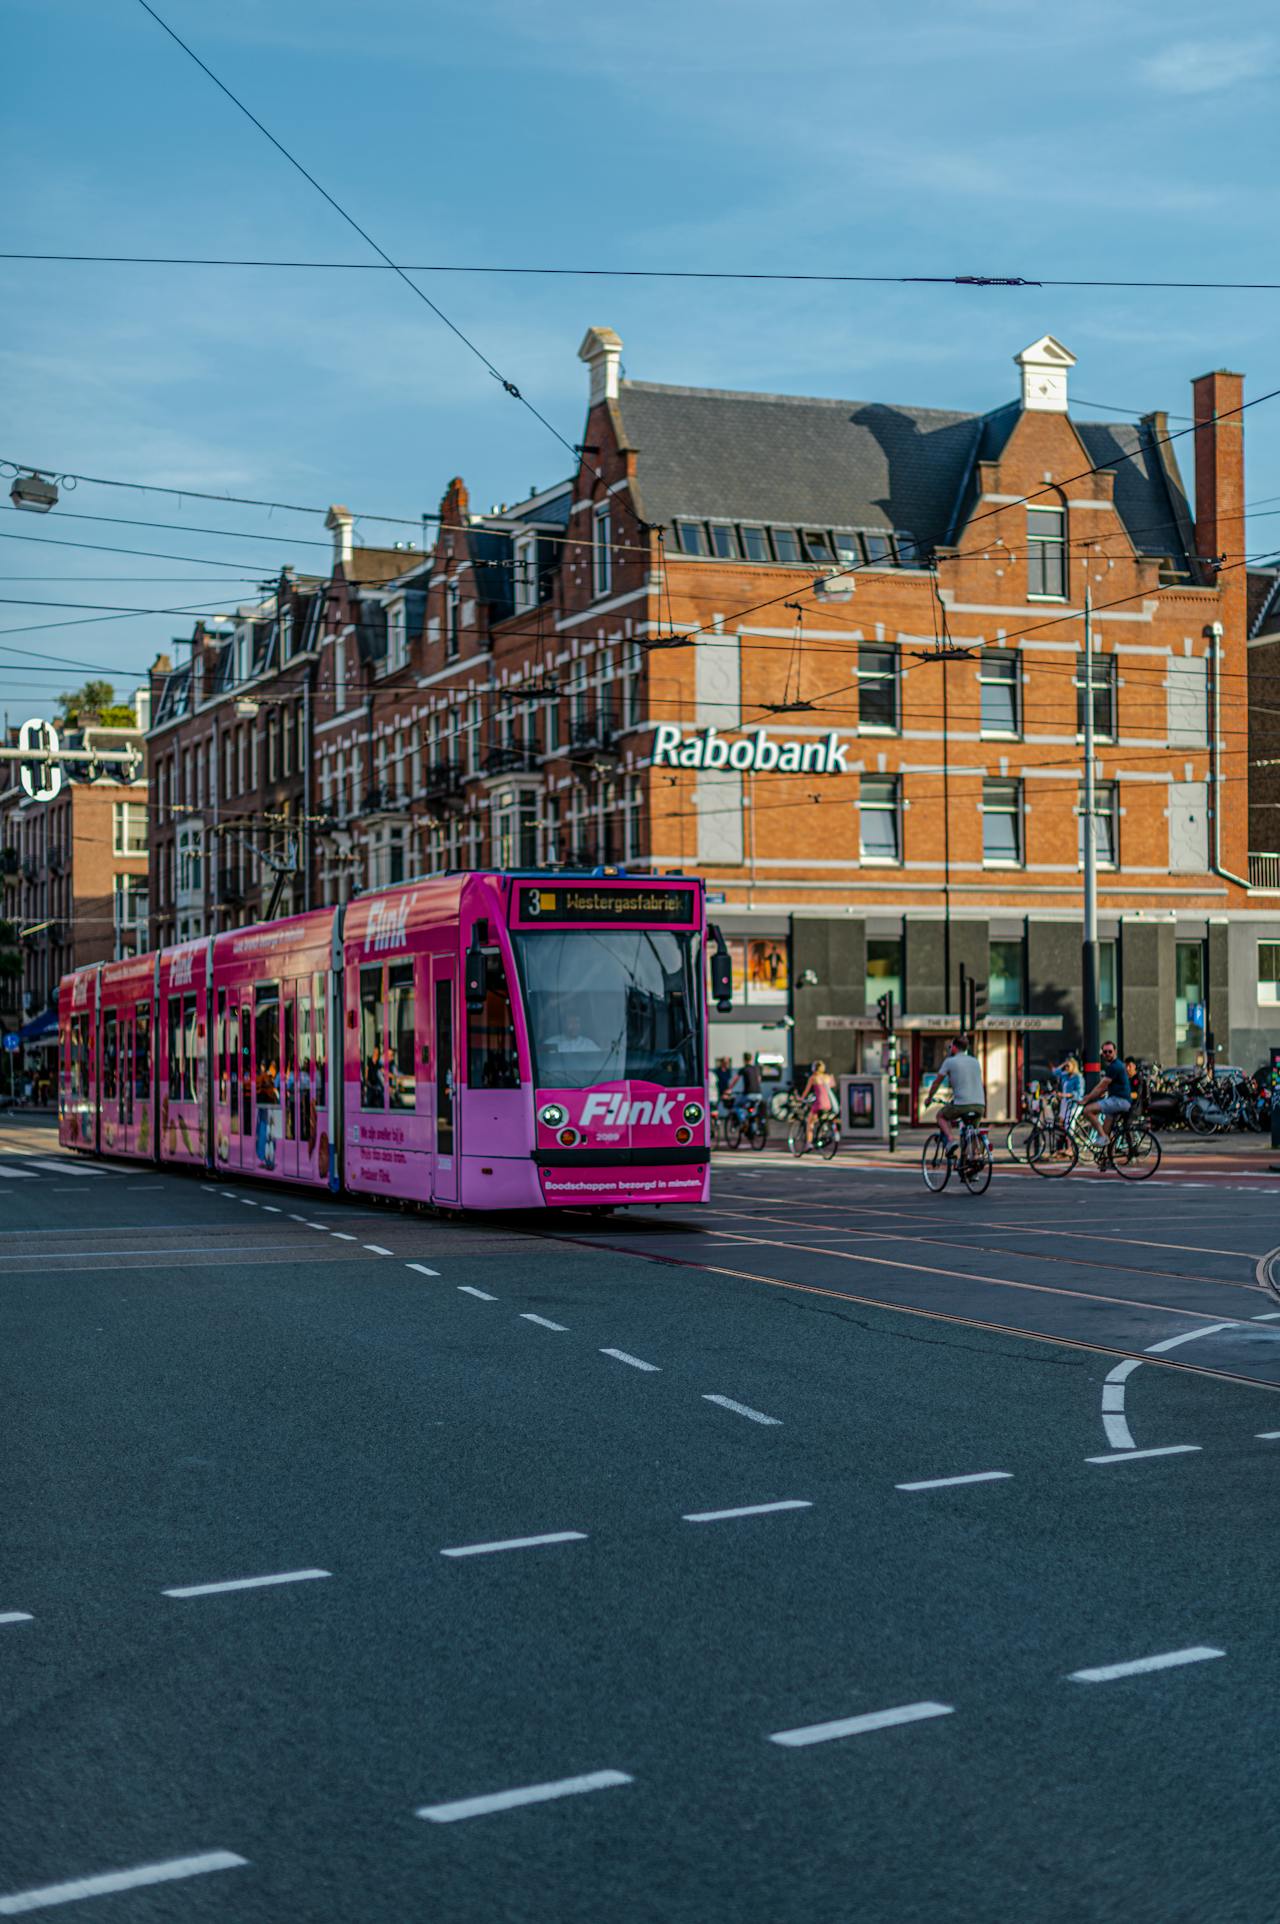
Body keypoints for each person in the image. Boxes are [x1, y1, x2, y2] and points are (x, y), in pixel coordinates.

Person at [925, 1036, 986, 1157]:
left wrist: (929, 1097)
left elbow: (937, 1082)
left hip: (962, 1105)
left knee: (941, 1116)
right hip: (980, 1105)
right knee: (972, 1132)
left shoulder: (950, 1062)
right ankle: (973, 1165)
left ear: (953, 1048)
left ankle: (951, 1140)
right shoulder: (975, 1061)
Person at [1082, 1039, 1131, 1144]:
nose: (1107, 1054)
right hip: (1119, 1101)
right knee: (1106, 1131)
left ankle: (1103, 1137)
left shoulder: (1114, 1066)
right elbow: (1105, 1087)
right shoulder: (1116, 1065)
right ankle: (1108, 1156)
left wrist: (1087, 1098)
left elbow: (1101, 1086)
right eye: (1105, 1052)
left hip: (1119, 1101)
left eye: (1110, 1051)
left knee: (1087, 1110)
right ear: (1102, 1053)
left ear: (1115, 1052)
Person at [800, 1057, 837, 1147]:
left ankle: (809, 1143)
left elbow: (806, 1091)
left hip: (819, 1103)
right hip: (828, 1103)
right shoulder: (828, 1077)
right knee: (821, 1118)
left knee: (810, 1121)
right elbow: (833, 1085)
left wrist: (800, 1099)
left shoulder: (813, 1078)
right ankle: (823, 1130)